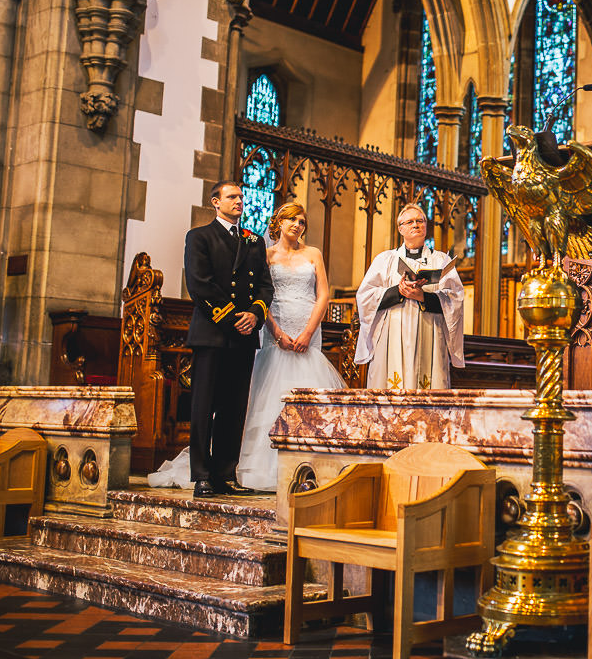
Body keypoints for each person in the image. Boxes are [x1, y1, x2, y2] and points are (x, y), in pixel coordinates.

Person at [235, 202, 347, 490]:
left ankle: (311, 466)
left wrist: (308, 332)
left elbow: (323, 295)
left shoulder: (313, 254)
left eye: (301, 221)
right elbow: (260, 296)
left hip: (307, 332)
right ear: (279, 223)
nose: (297, 225)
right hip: (277, 331)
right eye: (292, 219)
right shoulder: (266, 255)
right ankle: (265, 468)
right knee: (271, 397)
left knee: (309, 397)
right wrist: (275, 332)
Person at [178, 181, 273, 499]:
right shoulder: (199, 237)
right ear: (215, 202)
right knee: (204, 406)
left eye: (241, 197)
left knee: (234, 408)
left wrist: (255, 314)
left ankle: (225, 473)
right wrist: (234, 318)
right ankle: (202, 475)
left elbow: (265, 286)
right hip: (213, 332)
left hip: (244, 336)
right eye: (232, 197)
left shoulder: (254, 241)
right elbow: (199, 283)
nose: (239, 201)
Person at [354, 202, 465, 389]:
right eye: (410, 222)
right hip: (392, 333)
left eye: (420, 221)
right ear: (400, 228)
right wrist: (398, 291)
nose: (416, 225)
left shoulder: (440, 260)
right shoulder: (385, 260)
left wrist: (423, 297)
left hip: (429, 331)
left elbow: (455, 299)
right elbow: (365, 297)